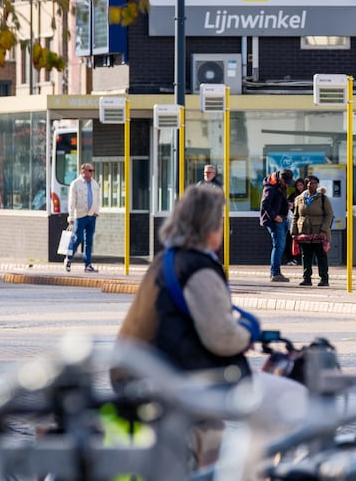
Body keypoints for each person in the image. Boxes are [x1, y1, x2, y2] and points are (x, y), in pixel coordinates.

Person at [115, 183, 261, 469]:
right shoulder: (199, 268)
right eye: (220, 222)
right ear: (209, 227)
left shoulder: (165, 259)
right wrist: (247, 335)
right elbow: (221, 337)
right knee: (226, 423)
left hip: (132, 369)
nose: (224, 229)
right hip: (169, 378)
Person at [291, 175, 333, 287]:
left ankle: (324, 279)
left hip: (319, 233)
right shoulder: (299, 199)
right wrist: (294, 232)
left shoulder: (323, 198)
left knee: (321, 256)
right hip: (304, 233)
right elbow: (295, 216)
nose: (311, 185)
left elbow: (329, 215)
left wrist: (324, 230)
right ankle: (306, 278)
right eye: (309, 183)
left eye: (314, 183)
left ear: (317, 185)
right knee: (306, 256)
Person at [65, 162, 101, 273]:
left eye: (93, 171)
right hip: (80, 216)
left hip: (91, 215)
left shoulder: (95, 184)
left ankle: (88, 264)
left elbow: (98, 199)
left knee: (88, 241)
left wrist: (96, 211)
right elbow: (72, 201)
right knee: (77, 238)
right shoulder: (75, 184)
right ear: (83, 171)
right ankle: (69, 257)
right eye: (89, 170)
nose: (92, 173)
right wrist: (71, 216)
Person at [260, 169, 293, 283]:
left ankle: (276, 272)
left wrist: (287, 204)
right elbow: (265, 203)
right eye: (286, 181)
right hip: (275, 220)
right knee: (279, 246)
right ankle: (275, 273)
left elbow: (278, 201)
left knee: (280, 245)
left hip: (281, 218)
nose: (287, 184)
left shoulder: (280, 185)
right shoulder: (271, 187)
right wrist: (274, 216)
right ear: (281, 178)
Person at [283, 178, 308, 266]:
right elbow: (287, 205)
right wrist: (290, 205)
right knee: (290, 240)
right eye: (297, 185)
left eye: (301, 185)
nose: (299, 187)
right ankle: (291, 258)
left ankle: (300, 259)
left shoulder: (307, 195)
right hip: (293, 221)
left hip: (304, 222)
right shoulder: (293, 195)